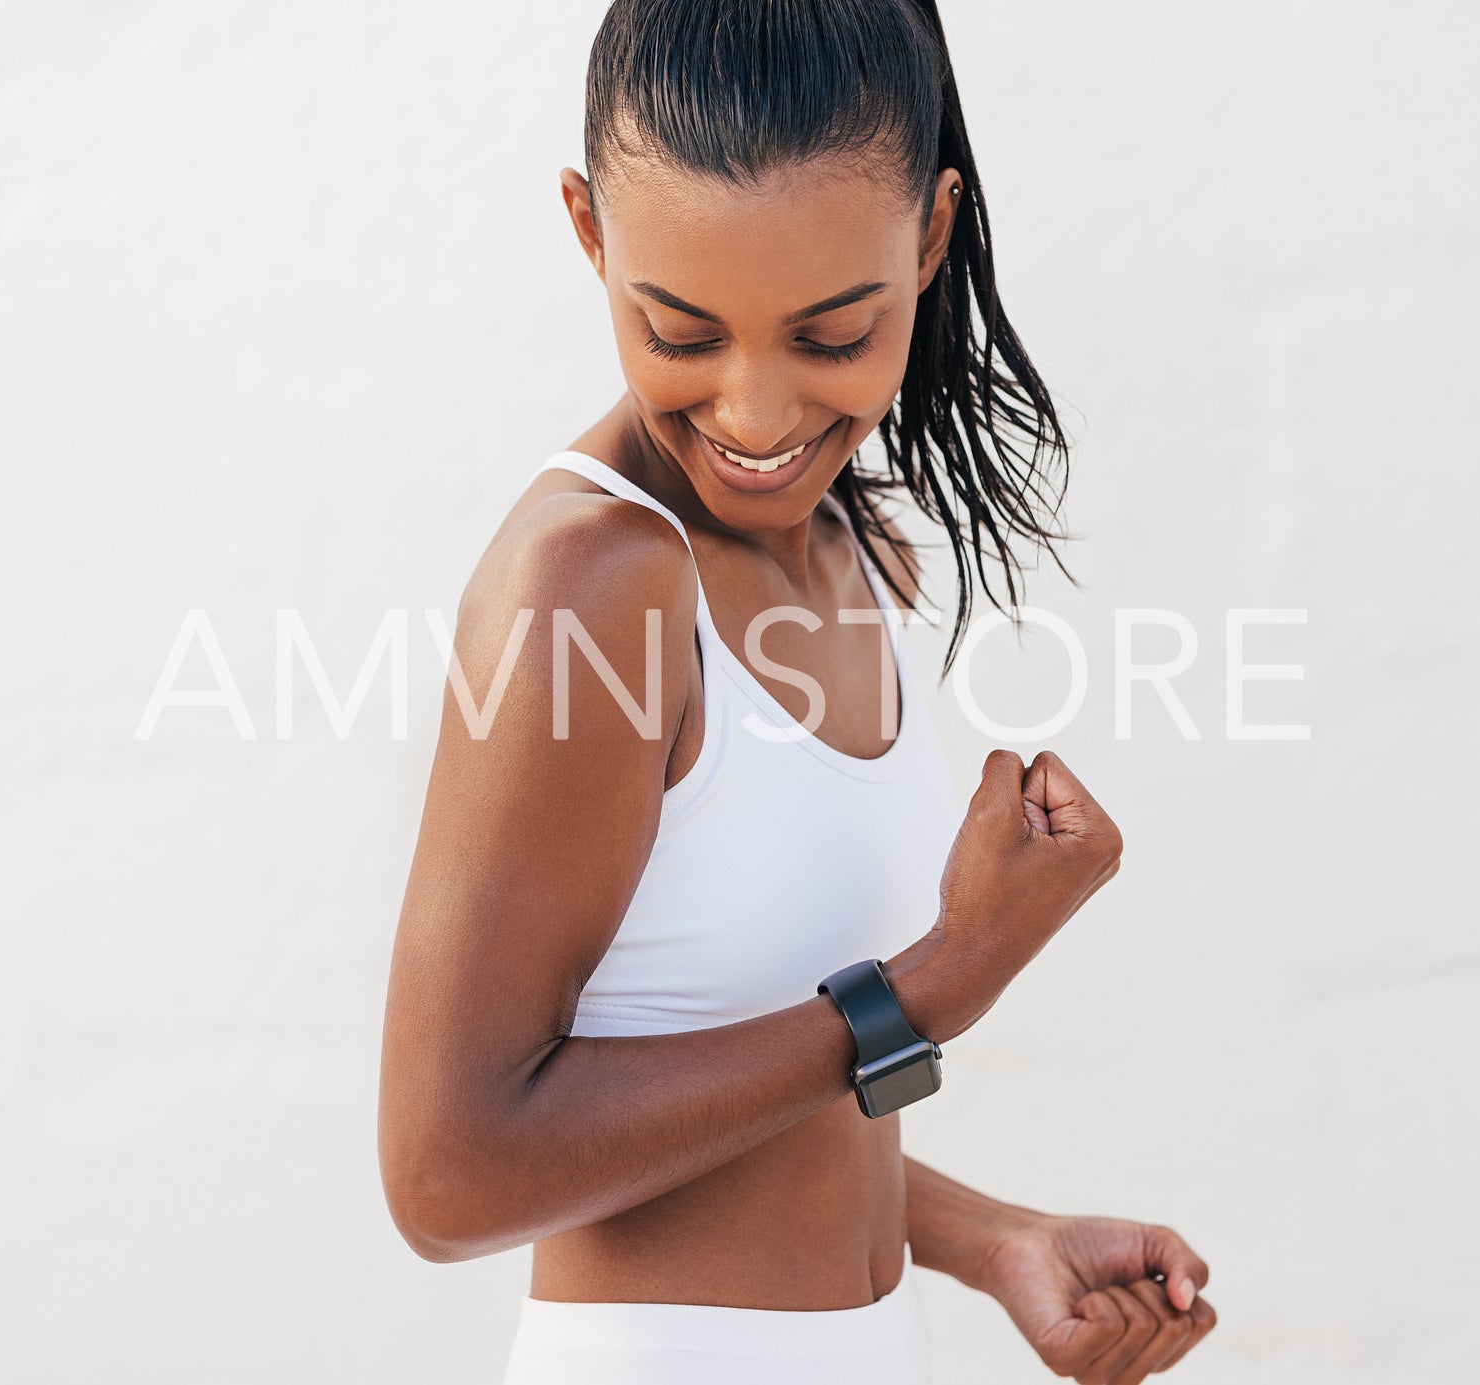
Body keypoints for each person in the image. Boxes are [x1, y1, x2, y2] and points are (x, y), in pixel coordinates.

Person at [378, 1, 1217, 1381]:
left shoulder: (853, 541)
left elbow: (731, 1090)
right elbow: (448, 1174)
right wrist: (942, 978)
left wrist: (996, 1237)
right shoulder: (588, 584)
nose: (757, 416)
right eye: (679, 333)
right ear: (590, 233)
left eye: (830, 337)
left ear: (929, 236)